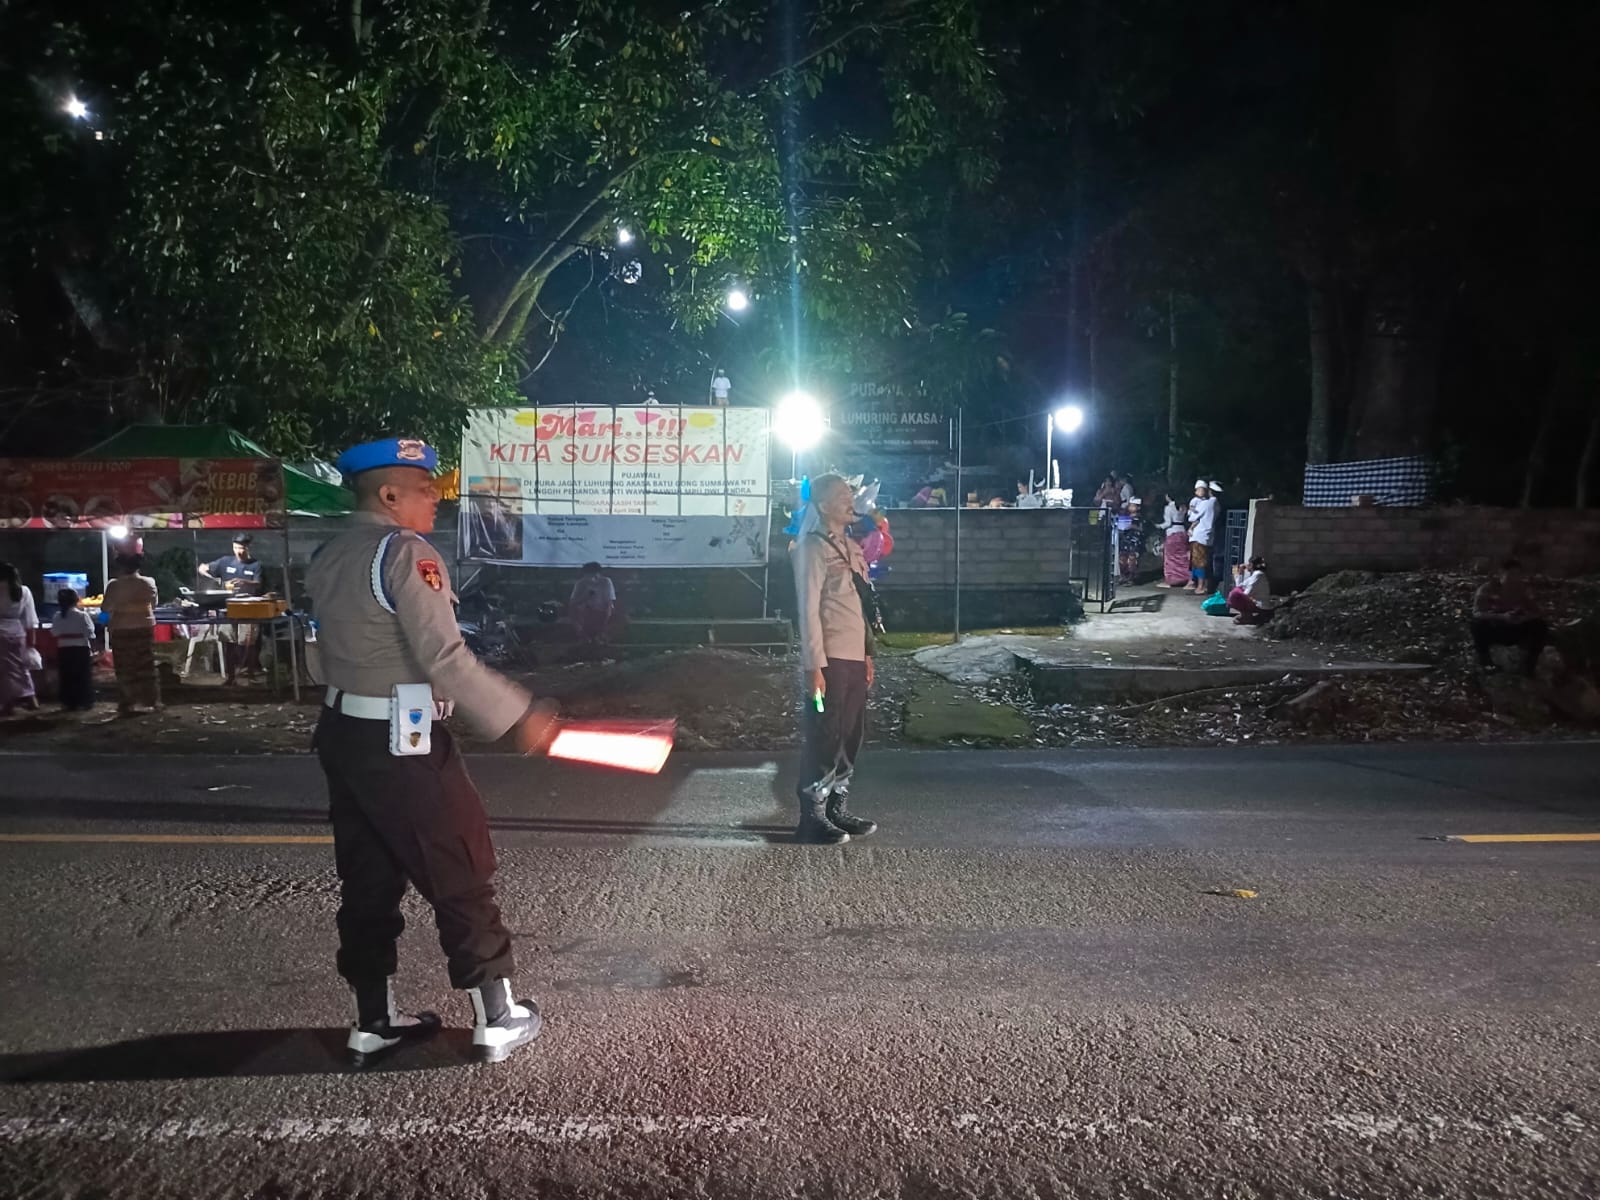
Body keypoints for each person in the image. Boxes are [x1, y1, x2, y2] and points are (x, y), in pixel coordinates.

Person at [306, 437, 560, 1068]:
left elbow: (320, 652)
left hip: (343, 731)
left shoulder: (329, 553)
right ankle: (497, 1018)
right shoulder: (405, 553)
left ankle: (373, 1022)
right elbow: (444, 658)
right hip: (405, 740)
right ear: (389, 495)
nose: (435, 502)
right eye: (424, 491)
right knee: (459, 867)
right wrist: (518, 716)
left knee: (367, 877)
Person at [791, 472, 878, 845]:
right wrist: (814, 667)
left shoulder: (851, 547)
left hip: (854, 659)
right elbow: (808, 610)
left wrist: (868, 654)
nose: (851, 500)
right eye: (843, 495)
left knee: (850, 734)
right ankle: (811, 817)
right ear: (824, 505)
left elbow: (861, 605)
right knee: (825, 734)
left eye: (850, 494)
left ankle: (835, 808)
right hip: (830, 661)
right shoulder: (812, 547)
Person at [199, 534, 265, 683]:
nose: (238, 551)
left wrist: (244, 582)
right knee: (229, 642)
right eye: (236, 548)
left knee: (248, 643)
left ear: (248, 547)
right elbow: (203, 568)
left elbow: (259, 583)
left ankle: (250, 675)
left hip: (248, 608)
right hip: (228, 608)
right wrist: (207, 573)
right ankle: (231, 678)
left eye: (242, 548)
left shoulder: (256, 565)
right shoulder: (225, 561)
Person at [103, 554, 161, 715]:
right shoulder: (149, 582)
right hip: (144, 627)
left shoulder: (114, 585)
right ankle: (151, 701)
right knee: (146, 665)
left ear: (120, 567)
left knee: (124, 667)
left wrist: (103, 623)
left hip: (121, 629)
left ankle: (127, 702)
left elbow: (105, 609)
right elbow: (154, 604)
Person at [1472, 559, 1547, 676]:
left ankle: (1528, 666)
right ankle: (1487, 664)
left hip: (1515, 628)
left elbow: (1538, 612)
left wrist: (1524, 618)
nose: (1514, 578)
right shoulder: (1487, 589)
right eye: (1511, 574)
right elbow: (1477, 613)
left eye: (1517, 574)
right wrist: (1501, 617)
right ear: (1501, 574)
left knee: (1540, 625)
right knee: (1477, 625)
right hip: (1496, 628)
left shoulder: (1521, 590)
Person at [0, 562, 41, 717]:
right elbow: (30, 619)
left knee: (4, 671)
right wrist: (32, 642)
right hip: (17, 633)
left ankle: (8, 704)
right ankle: (31, 698)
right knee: (20, 667)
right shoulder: (24, 591)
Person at [52, 588, 97, 711]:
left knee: (67, 676)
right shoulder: (82, 615)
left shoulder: (57, 616)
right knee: (82, 676)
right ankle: (84, 700)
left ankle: (68, 701)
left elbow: (54, 632)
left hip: (63, 648)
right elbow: (90, 632)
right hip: (81, 648)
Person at [568, 562, 616, 643]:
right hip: (586, 612)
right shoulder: (580, 583)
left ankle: (600, 635)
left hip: (602, 611)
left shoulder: (606, 581)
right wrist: (585, 597)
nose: (593, 578)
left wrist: (606, 618)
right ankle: (584, 635)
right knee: (574, 610)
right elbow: (573, 603)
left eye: (595, 574)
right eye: (589, 575)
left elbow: (609, 601)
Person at [1186, 480, 1217, 595]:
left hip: (1199, 536)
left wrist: (1191, 515)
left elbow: (1192, 517)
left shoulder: (1206, 503)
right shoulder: (1216, 504)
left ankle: (1201, 586)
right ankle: (1196, 583)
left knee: (1199, 561)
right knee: (1201, 561)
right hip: (1207, 536)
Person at [1156, 490, 1190, 588]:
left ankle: (1171, 580)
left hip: (1172, 533)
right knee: (1182, 557)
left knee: (1170, 558)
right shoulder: (1183, 507)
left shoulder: (1168, 508)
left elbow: (1168, 523)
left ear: (1168, 496)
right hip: (1182, 531)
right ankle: (1184, 578)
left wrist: (1158, 526)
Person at [1227, 556, 1272, 625]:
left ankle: (1247, 617)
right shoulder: (1255, 575)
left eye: (1249, 564)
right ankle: (1246, 615)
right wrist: (1239, 574)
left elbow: (1247, 593)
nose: (1246, 565)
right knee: (1236, 591)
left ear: (1252, 565)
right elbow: (1240, 585)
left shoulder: (1258, 574)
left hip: (1260, 605)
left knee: (1234, 594)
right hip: (1256, 602)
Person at [1117, 498, 1145, 584]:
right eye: (1130, 505)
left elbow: (1141, 529)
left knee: (1132, 559)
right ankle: (1123, 576)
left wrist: (1132, 526)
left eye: (1133, 506)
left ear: (1138, 507)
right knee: (1122, 558)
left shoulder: (1139, 518)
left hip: (1134, 541)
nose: (1131, 507)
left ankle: (1131, 577)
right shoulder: (1126, 517)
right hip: (1125, 540)